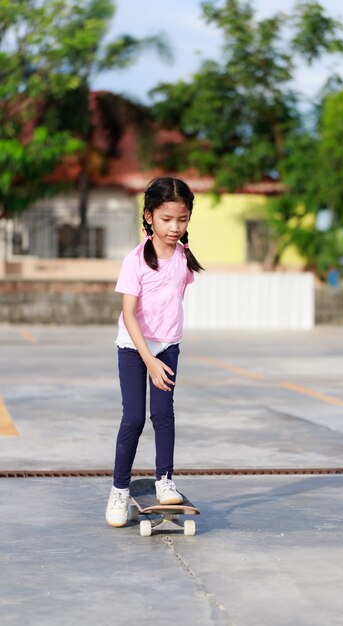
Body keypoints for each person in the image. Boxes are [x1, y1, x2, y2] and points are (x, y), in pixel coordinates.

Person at [106, 177, 204, 527]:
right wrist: (149, 359)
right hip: (135, 348)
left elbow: (176, 297)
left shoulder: (183, 256)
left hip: (167, 347)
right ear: (148, 217)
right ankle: (119, 490)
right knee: (133, 417)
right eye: (166, 219)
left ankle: (165, 480)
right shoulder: (135, 260)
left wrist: (168, 343)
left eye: (182, 219)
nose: (174, 227)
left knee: (162, 415)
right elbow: (129, 315)